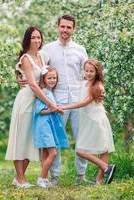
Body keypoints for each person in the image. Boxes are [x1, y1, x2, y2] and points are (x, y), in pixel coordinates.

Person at [5, 26, 62, 188]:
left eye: (39, 37)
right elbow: (33, 84)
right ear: (27, 40)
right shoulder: (25, 58)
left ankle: (18, 177)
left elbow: (47, 75)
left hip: (39, 102)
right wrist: (51, 104)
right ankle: (21, 179)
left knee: (32, 139)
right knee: (21, 139)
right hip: (26, 101)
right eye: (33, 38)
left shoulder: (43, 56)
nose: (37, 41)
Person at [42, 14, 90, 186]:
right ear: (58, 27)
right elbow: (39, 70)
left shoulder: (80, 49)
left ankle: (81, 176)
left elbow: (89, 72)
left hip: (78, 98)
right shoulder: (48, 49)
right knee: (55, 138)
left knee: (81, 137)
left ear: (74, 29)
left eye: (69, 27)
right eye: (63, 26)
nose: (65, 30)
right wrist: (21, 77)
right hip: (57, 100)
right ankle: (54, 177)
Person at [61, 59, 116, 185]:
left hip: (96, 120)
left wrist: (65, 106)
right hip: (88, 121)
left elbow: (84, 102)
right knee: (83, 149)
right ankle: (105, 169)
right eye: (86, 70)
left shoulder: (98, 86)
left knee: (101, 149)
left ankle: (100, 177)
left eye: (92, 71)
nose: (89, 73)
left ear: (97, 72)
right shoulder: (85, 83)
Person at [33, 67, 69, 188]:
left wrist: (56, 107)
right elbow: (39, 111)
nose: (52, 80)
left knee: (45, 154)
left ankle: (45, 179)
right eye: (49, 78)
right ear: (44, 79)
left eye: (54, 78)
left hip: (49, 126)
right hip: (44, 126)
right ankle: (42, 178)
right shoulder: (43, 92)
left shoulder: (49, 91)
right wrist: (54, 109)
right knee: (53, 153)